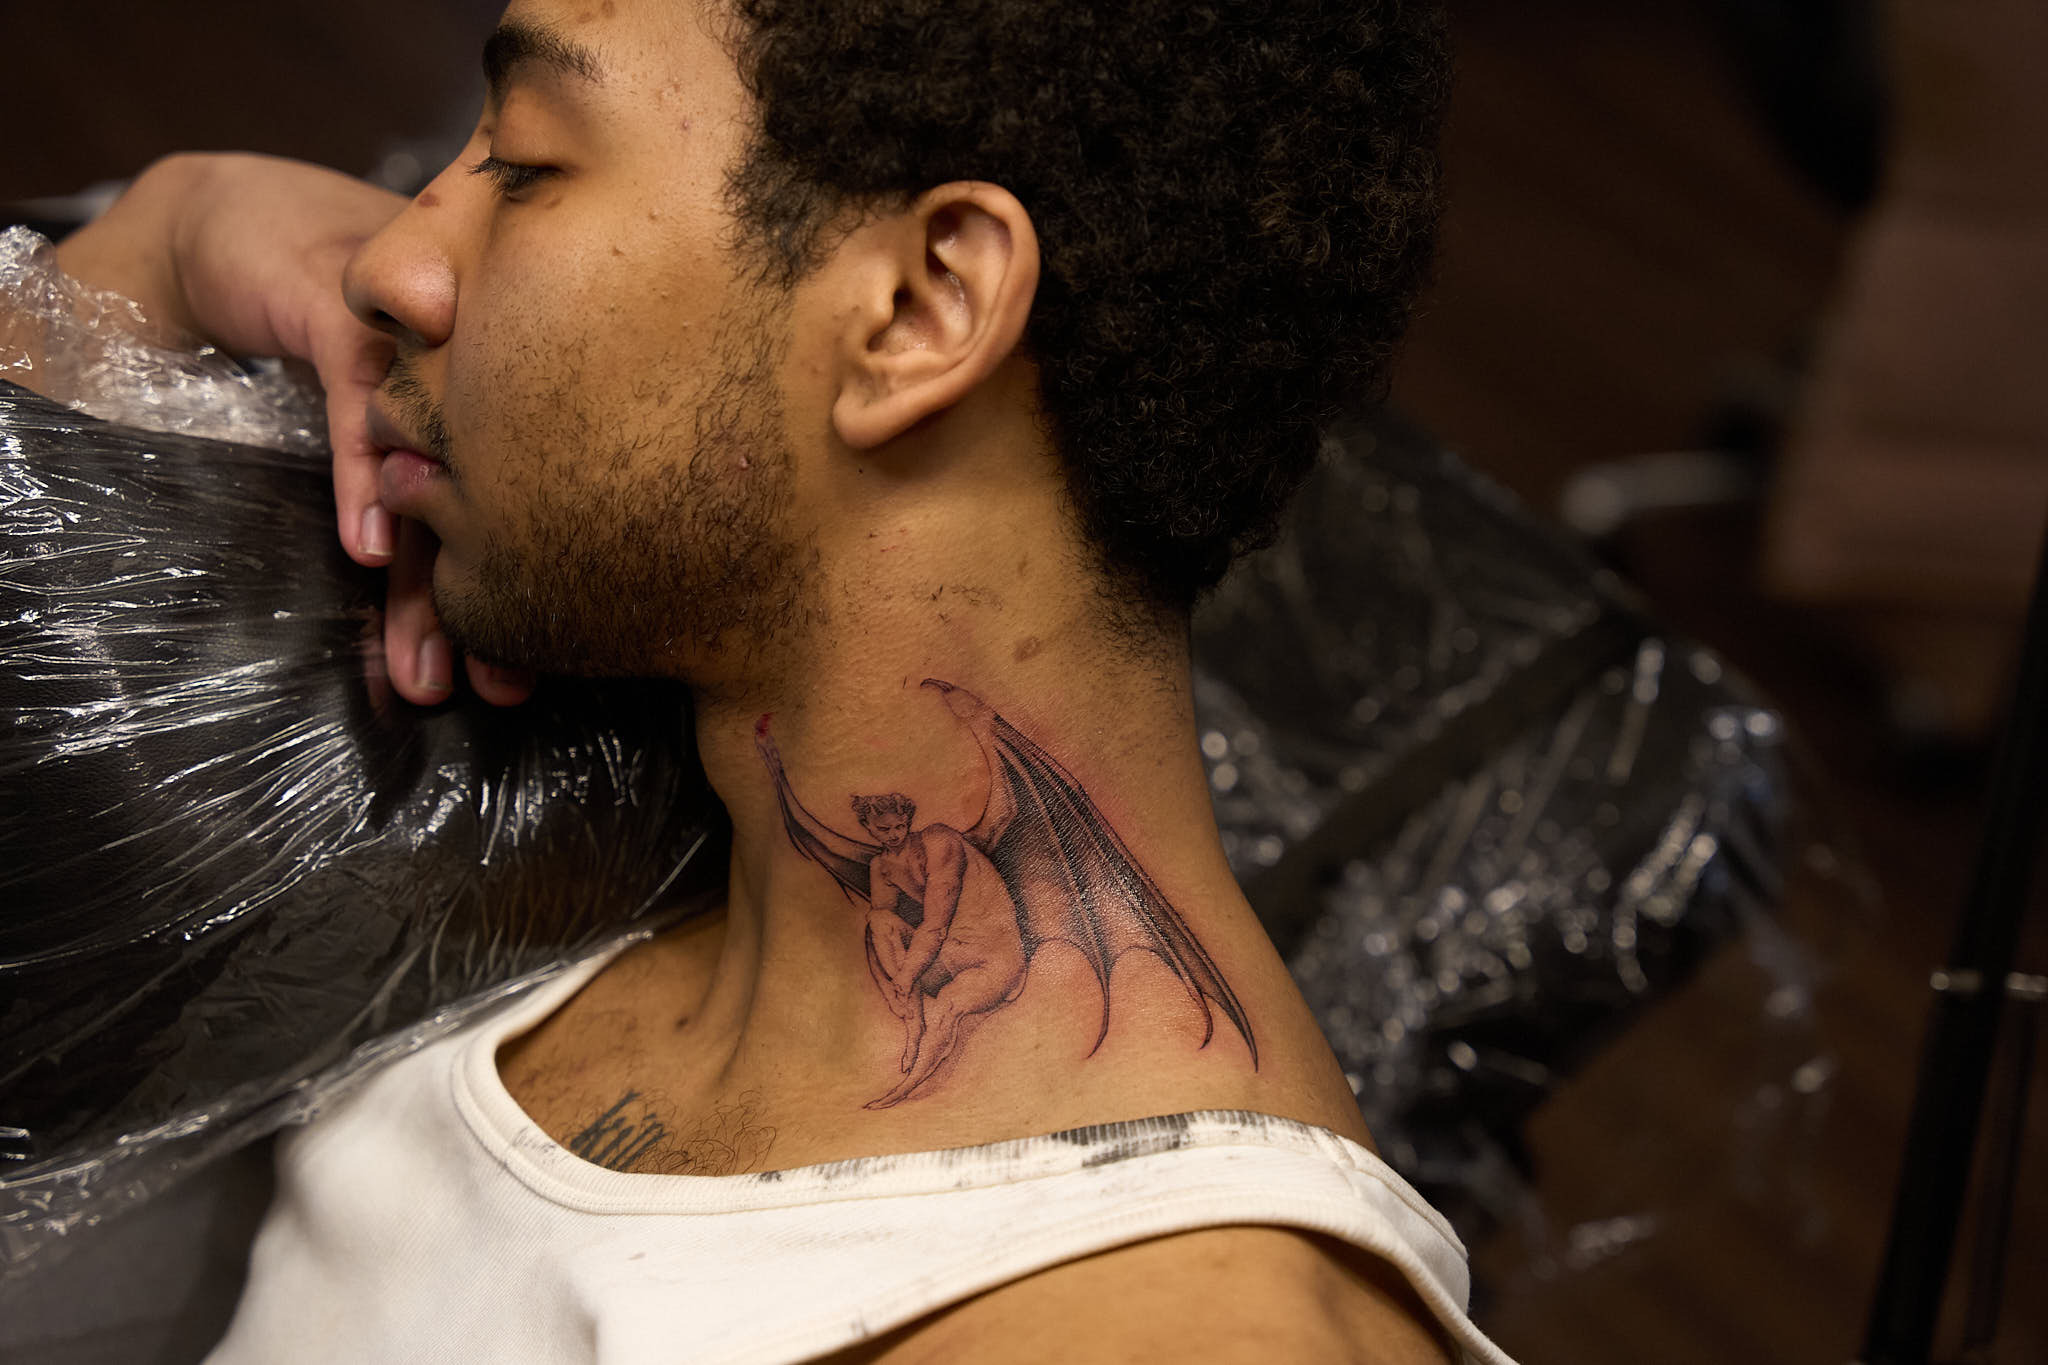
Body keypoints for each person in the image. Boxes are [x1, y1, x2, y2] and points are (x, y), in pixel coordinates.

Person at [41, 0, 1514, 1360]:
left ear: (920, 309)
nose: (392, 263)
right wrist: (166, 239)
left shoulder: (1157, 1332)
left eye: (529, 165)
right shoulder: (559, 801)